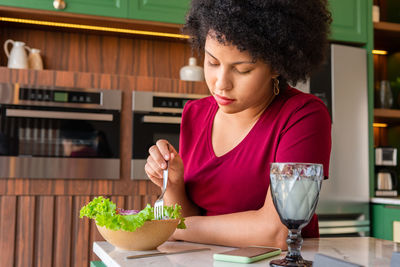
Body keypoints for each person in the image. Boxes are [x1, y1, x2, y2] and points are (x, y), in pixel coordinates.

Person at [145, 0, 332, 249]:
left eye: (242, 69)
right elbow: (194, 218)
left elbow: (276, 231)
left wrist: (172, 227)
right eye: (212, 62)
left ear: (276, 66)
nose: (221, 83)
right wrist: (174, 184)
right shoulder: (195, 114)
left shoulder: (303, 116)